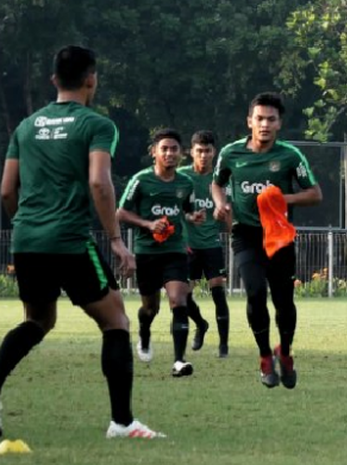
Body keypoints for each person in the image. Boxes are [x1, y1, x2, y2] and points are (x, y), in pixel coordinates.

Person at [0, 45, 163, 438]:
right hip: (69, 239)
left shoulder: (26, 127)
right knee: (116, 320)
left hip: (26, 238)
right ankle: (122, 423)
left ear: (54, 79)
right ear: (92, 78)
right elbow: (98, 182)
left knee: (38, 320)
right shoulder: (96, 125)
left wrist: (27, 226)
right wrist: (116, 240)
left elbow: (7, 191)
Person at [212, 92, 322, 389]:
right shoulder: (231, 153)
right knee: (255, 292)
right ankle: (264, 357)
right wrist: (220, 203)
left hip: (279, 236)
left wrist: (279, 198)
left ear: (279, 124)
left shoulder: (290, 156)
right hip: (246, 234)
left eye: (270, 119)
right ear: (249, 121)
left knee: (284, 301)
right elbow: (217, 183)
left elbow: (315, 193)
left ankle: (284, 353)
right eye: (259, 118)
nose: (264, 124)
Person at [117, 128, 205, 377]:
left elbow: (186, 210)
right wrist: (147, 224)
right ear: (154, 152)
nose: (169, 153)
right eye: (164, 148)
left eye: (174, 149)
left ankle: (179, 361)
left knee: (179, 300)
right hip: (146, 252)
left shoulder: (186, 183)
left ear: (181, 154)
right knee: (150, 308)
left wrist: (193, 216)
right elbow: (120, 213)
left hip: (175, 250)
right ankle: (144, 332)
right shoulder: (141, 180)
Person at [178, 130, 232, 358]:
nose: (203, 155)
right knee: (183, 296)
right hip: (188, 246)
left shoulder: (221, 181)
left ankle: (223, 346)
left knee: (218, 290)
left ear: (214, 152)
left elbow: (229, 213)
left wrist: (229, 222)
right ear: (191, 152)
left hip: (211, 244)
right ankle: (200, 324)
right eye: (199, 151)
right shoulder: (180, 176)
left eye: (207, 151)